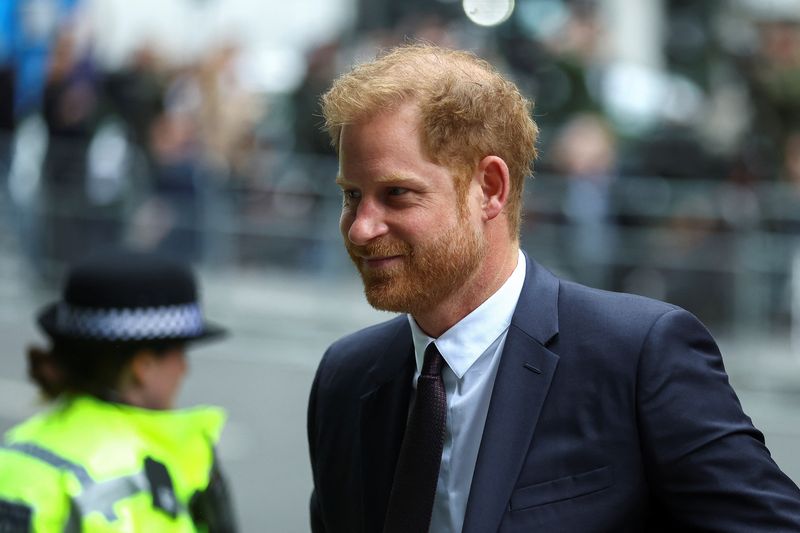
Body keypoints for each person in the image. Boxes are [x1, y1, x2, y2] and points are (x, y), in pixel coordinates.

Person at [306, 43, 800, 532]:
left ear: (490, 189)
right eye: (352, 195)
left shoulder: (638, 357)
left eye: (397, 194)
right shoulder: (345, 378)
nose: (360, 228)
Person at [0, 249, 237, 532]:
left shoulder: (17, 449)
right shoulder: (147, 470)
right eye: (180, 353)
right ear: (144, 366)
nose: (184, 369)